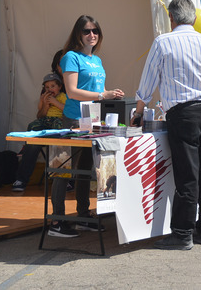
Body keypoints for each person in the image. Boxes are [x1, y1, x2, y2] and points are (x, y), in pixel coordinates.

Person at [132, 0, 201, 250]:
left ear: (171, 18)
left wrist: (138, 112)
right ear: (193, 17)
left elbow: (147, 83)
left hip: (183, 114)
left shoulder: (163, 42)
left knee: (187, 174)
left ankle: (182, 232)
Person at [48, 15, 124, 238]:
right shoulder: (70, 57)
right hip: (73, 119)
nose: (92, 35)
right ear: (77, 34)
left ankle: (83, 215)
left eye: (95, 31)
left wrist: (111, 95)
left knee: (85, 169)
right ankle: (57, 219)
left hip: (92, 119)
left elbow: (97, 89)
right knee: (62, 168)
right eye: (86, 31)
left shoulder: (97, 60)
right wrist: (104, 94)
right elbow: (72, 92)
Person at [11, 72, 66, 192]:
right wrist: (45, 104)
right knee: (33, 126)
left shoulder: (63, 96)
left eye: (53, 86)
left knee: (60, 136)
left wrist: (55, 103)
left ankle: (63, 180)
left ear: (59, 86)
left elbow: (68, 111)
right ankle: (26, 146)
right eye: (47, 87)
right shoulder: (44, 97)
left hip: (57, 124)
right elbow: (40, 115)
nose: (50, 89)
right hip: (46, 122)